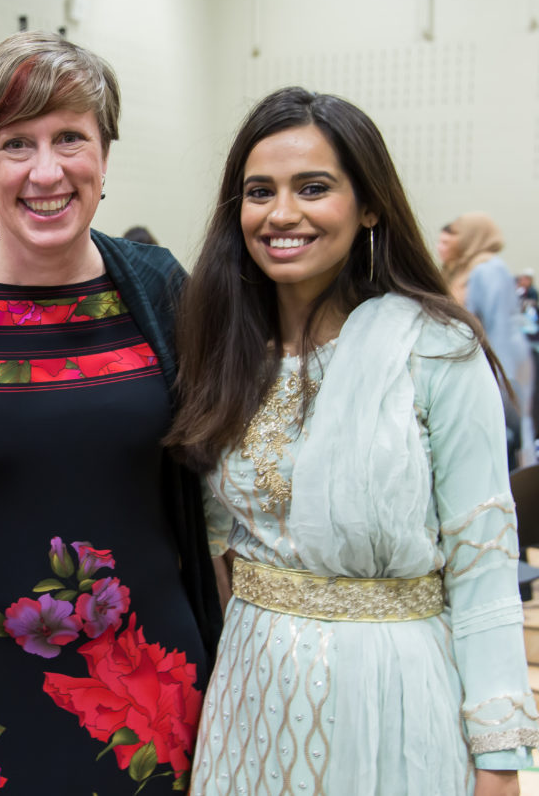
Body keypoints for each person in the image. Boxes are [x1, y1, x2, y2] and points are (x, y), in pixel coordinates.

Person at [0, 31, 221, 795]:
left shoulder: (159, 289)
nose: (45, 170)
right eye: (16, 143)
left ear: (105, 155)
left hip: (151, 689)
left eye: (69, 139)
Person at [166, 86, 539, 795]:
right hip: (251, 691)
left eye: (313, 188)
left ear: (369, 205)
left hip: (392, 693)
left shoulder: (435, 349)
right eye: (259, 191)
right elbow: (216, 545)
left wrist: (498, 758)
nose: (282, 213)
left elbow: (484, 564)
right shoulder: (224, 351)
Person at [439, 213, 535, 466]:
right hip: (489, 362)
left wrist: (501, 378)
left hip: (502, 365)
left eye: (457, 235)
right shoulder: (467, 269)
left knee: (507, 437)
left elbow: (500, 327)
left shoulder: (488, 269)